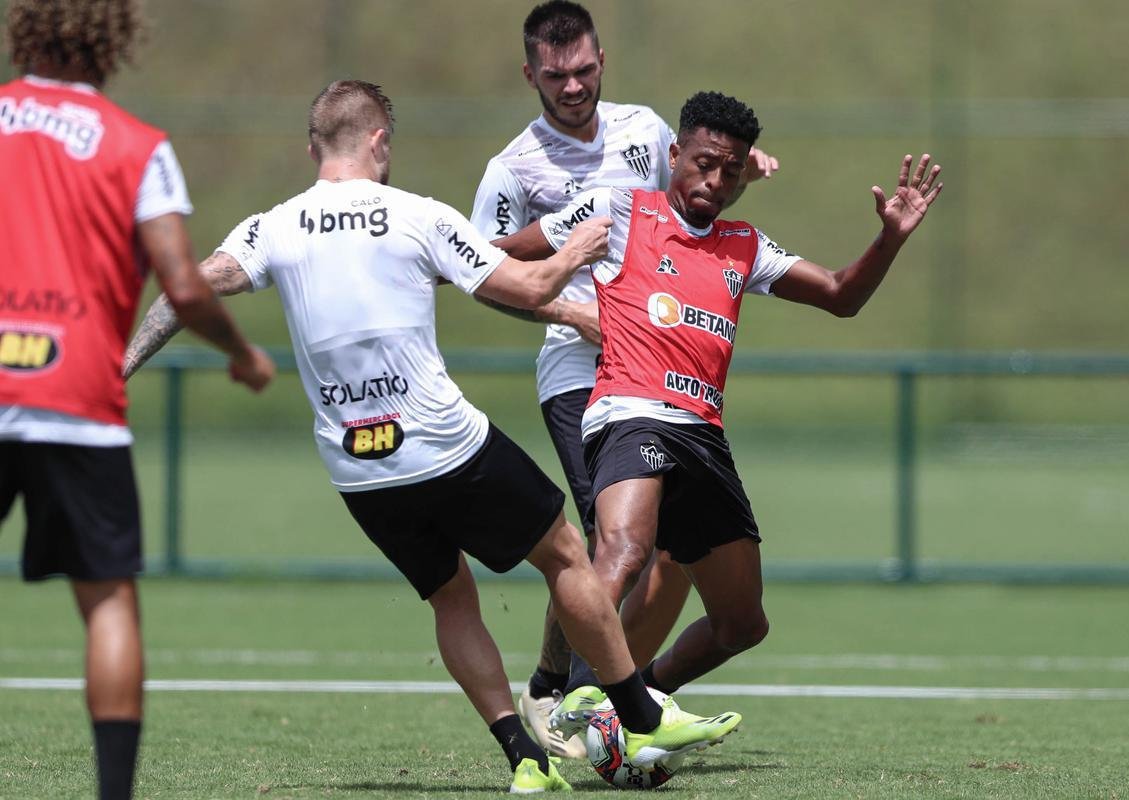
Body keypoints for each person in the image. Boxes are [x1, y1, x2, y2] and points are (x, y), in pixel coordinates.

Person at [122, 79, 741, 793]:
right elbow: (530, 288)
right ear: (381, 141)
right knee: (568, 553)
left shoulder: (273, 226)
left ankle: (526, 762)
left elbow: (182, 291)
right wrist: (575, 253)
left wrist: (121, 368)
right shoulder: (418, 216)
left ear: (313, 147)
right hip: (446, 447)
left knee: (451, 597)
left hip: (360, 471)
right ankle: (636, 711)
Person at [492, 90, 944, 736]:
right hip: (629, 412)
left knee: (742, 623)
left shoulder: (744, 245)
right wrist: (443, 255)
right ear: (673, 154)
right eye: (704, 163)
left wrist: (890, 239)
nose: (715, 181)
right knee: (621, 548)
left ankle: (641, 695)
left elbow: (842, 296)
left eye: (730, 172)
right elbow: (511, 251)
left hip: (701, 436)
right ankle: (581, 696)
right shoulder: (620, 209)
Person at [469, 1, 779, 758]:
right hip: (583, 371)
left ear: (601, 61)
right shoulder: (513, 169)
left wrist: (741, 166)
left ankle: (608, 697)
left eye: (582, 71)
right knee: (615, 548)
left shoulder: (646, 130)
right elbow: (483, 269)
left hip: (664, 370)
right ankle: (563, 691)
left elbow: (692, 194)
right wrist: (575, 314)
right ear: (529, 75)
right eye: (555, 75)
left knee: (670, 553)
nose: (572, 86)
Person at [0, 2, 276, 799]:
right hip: (76, 397)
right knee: (109, 603)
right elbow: (184, 286)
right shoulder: (136, 146)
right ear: (115, 36)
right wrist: (242, 353)